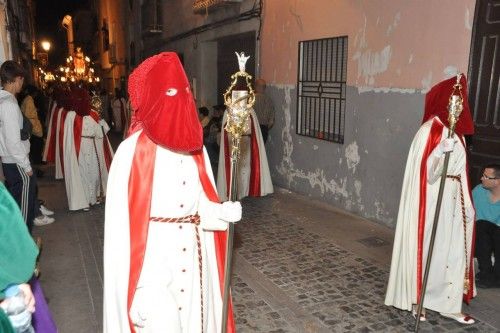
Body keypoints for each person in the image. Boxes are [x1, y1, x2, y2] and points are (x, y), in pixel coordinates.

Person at [103, 52, 240, 333]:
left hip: (194, 258)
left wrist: (220, 212)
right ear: (153, 97)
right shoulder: (131, 152)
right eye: (169, 91)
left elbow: (200, 203)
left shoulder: (195, 146)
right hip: (153, 264)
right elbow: (123, 232)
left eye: (185, 91)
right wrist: (137, 287)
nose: (179, 99)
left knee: (195, 321)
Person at [385, 74, 476, 324]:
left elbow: (461, 172)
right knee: (429, 248)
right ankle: (420, 300)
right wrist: (438, 155)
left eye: (461, 101)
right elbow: (426, 172)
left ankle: (449, 303)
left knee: (453, 251)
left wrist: (466, 203)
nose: (457, 105)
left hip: (455, 199)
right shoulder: (429, 131)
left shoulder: (458, 134)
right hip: (433, 198)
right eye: (453, 100)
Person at [63, 87, 113, 211]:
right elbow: (69, 136)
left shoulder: (93, 113)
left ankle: (93, 198)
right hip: (79, 149)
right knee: (83, 174)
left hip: (92, 146)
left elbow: (102, 132)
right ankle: (84, 201)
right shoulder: (71, 115)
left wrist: (101, 123)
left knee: (95, 173)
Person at [216, 104, 274, 201]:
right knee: (234, 168)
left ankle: (244, 191)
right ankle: (235, 192)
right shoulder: (229, 110)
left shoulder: (250, 109)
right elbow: (226, 127)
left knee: (246, 168)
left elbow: (253, 127)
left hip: (246, 141)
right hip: (232, 142)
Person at [473, 164, 500, 288]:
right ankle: (486, 273)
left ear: (497, 181)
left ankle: (496, 276)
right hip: (481, 234)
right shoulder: (479, 191)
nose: (481, 178)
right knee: (482, 225)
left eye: (486, 176)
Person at [253, 78, 275, 143]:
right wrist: (266, 128)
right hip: (264, 129)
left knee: (252, 150)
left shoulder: (250, 99)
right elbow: (272, 121)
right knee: (261, 150)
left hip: (253, 129)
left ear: (255, 86)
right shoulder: (269, 100)